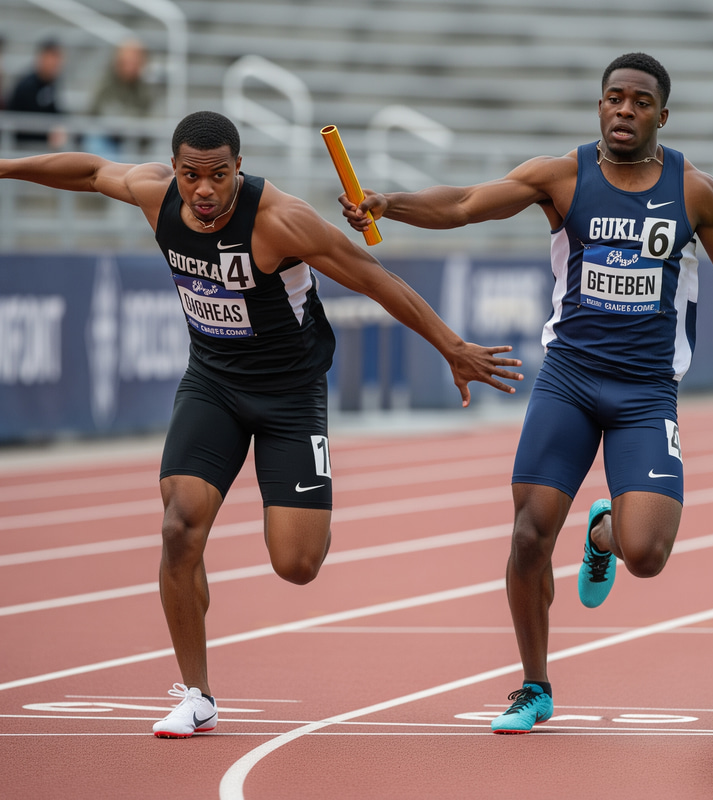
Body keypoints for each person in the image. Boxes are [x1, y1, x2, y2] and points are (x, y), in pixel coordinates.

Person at [0, 110, 523, 738]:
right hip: (212, 383)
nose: (204, 190)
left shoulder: (281, 220)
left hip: (290, 394)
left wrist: (452, 347)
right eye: (191, 175)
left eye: (218, 175)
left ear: (238, 169)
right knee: (177, 527)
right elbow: (88, 170)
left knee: (297, 563)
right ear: (174, 171)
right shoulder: (153, 195)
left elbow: (375, 279)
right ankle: (196, 694)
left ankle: (308, 498)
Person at [339, 52, 713, 734]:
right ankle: (534, 686)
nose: (623, 110)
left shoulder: (696, 193)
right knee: (529, 533)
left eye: (638, 101)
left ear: (663, 113)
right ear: (600, 106)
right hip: (568, 379)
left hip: (646, 393)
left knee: (647, 555)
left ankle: (603, 532)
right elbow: (465, 204)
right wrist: (390, 204)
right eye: (613, 98)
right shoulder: (562, 177)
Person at [85, 38, 153, 158]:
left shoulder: (144, 89)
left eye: (135, 61)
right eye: (127, 61)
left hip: (132, 142)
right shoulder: (106, 84)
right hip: (107, 139)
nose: (131, 66)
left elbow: (149, 119)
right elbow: (95, 112)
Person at [6, 37, 67, 148]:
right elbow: (20, 121)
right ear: (42, 57)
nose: (56, 63)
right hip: (26, 146)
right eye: (53, 57)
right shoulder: (26, 85)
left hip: (46, 146)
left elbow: (56, 112)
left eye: (59, 58)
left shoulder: (53, 84)